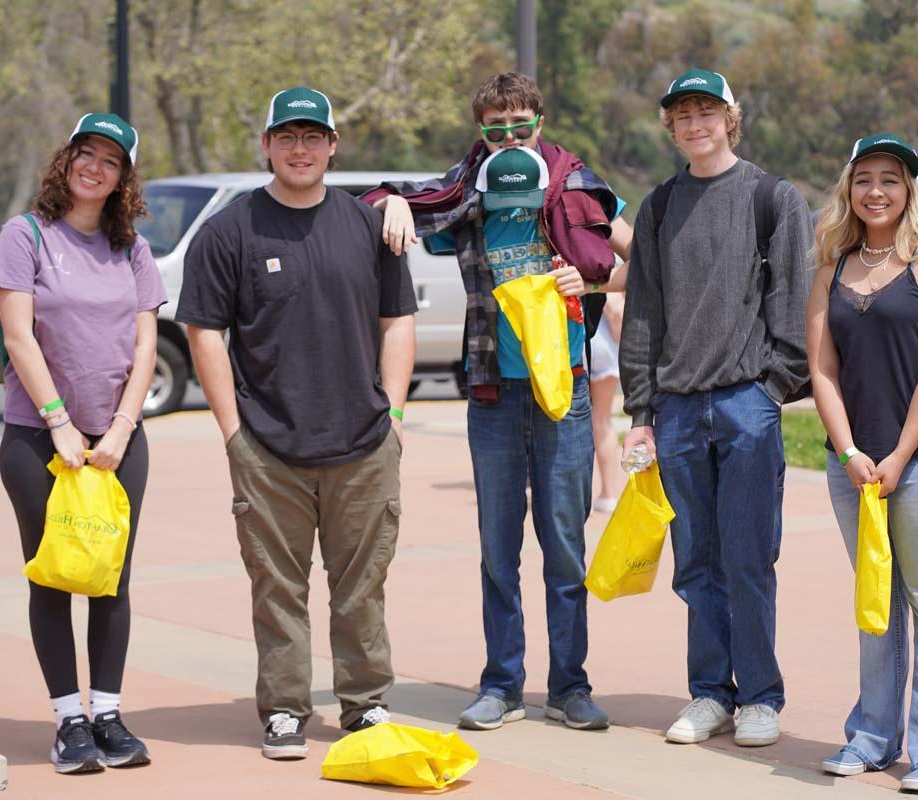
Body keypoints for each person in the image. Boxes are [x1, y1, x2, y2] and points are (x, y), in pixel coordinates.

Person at [363, 72, 632, 732]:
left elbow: (638, 259)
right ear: (481, 130)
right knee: (496, 546)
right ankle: (502, 683)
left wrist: (592, 279)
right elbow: (398, 204)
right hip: (491, 389)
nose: (509, 136)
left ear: (540, 121)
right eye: (496, 127)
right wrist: (390, 202)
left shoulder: (577, 183)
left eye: (520, 124)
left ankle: (570, 686)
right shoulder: (467, 191)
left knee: (565, 543)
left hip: (562, 388)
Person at [176, 87, 417, 760]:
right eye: (288, 137)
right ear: (267, 145)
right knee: (277, 588)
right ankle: (284, 710)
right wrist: (232, 432)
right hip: (268, 445)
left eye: (313, 137)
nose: (301, 148)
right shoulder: (230, 230)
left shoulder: (371, 227)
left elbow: (398, 321)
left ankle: (364, 704)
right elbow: (203, 331)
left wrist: (394, 416)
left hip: (365, 444)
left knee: (361, 588)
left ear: (334, 146)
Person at [619, 69, 812, 748]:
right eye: (682, 115)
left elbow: (794, 300)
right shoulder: (659, 206)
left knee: (749, 558)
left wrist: (772, 389)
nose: (695, 124)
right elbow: (641, 312)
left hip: (745, 405)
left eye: (707, 112)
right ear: (669, 127)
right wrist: (640, 410)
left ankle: (760, 696)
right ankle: (709, 693)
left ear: (731, 118)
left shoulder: (771, 198)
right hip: (674, 411)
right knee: (695, 560)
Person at [0, 113, 165, 773]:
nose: (95, 166)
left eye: (110, 161)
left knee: (111, 578)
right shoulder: (25, 235)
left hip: (119, 439)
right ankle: (69, 722)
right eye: (85, 153)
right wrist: (60, 421)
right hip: (39, 440)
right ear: (65, 160)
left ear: (124, 179)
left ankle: (109, 715)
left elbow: (146, 344)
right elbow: (18, 337)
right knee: (55, 575)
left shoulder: (133, 250)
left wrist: (119, 428)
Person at [807, 134, 918, 794]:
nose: (876, 190)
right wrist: (849, 450)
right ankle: (872, 737)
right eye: (864, 179)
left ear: (910, 191)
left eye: (891, 179)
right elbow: (821, 368)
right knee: (875, 601)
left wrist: (900, 454)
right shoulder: (833, 263)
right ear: (848, 190)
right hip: (851, 464)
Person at [590, 294, 626, 513]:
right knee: (603, 421)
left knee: (574, 419)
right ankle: (608, 492)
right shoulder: (610, 263)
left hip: (586, 340)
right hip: (607, 347)